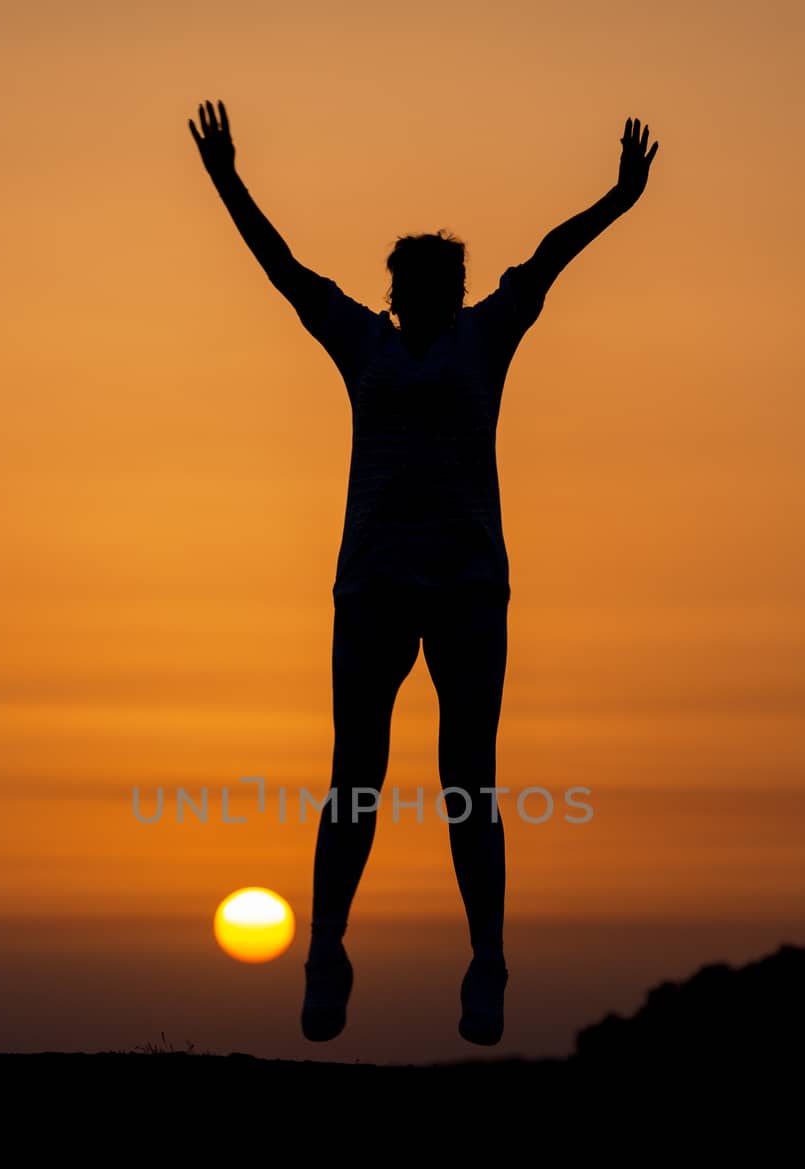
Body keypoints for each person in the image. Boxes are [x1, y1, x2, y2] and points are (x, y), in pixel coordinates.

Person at [188, 103, 659, 1046]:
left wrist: (619, 197)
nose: (421, 290)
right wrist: (227, 178)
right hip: (371, 587)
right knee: (354, 772)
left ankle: (486, 963)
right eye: (408, 279)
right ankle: (325, 950)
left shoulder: (485, 337)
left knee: (467, 780)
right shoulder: (361, 342)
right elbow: (283, 271)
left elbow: (549, 257)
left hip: (468, 587)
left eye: (437, 278)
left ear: (456, 288)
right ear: (393, 290)